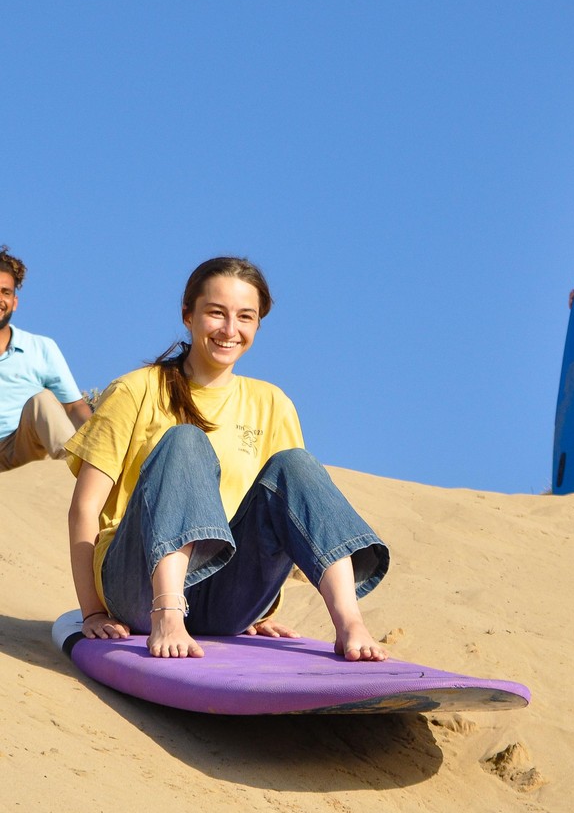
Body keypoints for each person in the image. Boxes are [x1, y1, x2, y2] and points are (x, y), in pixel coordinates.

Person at [66, 256, 391, 660]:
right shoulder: (135, 390)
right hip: (137, 588)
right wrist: (92, 610)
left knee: (297, 464)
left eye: (245, 317)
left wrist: (262, 604)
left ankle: (350, 622)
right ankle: (169, 613)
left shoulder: (272, 403)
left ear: (257, 325)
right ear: (188, 314)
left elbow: (290, 513)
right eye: (216, 313)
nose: (229, 330)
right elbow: (84, 508)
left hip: (225, 596)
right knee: (185, 441)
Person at [0, 246, 92, 472]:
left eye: (6, 292)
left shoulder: (40, 348)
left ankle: (78, 476)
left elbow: (74, 407)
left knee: (42, 400)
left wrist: (98, 442)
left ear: (15, 302)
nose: (0, 299)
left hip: (22, 448)